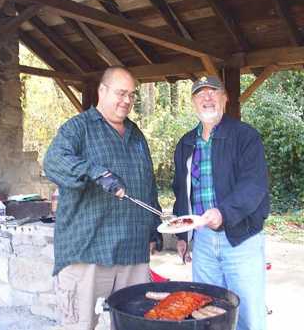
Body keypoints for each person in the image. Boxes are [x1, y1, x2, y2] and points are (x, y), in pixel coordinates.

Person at [43, 66, 162, 330]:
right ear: (102, 91)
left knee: (138, 325)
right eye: (121, 93)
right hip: (88, 252)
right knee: (81, 325)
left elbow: (147, 185)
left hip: (133, 252)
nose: (127, 101)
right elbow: (53, 162)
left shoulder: (136, 135)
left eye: (132, 95)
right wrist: (96, 172)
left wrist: (153, 228)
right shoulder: (78, 128)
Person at [172, 76, 269, 330]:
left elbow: (254, 186)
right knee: (206, 312)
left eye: (213, 92)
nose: (207, 97)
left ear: (225, 99)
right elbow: (181, 192)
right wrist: (183, 235)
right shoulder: (185, 143)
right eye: (200, 93)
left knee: (248, 315)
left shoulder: (245, 136)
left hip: (242, 239)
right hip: (203, 243)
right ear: (193, 102)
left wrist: (223, 213)